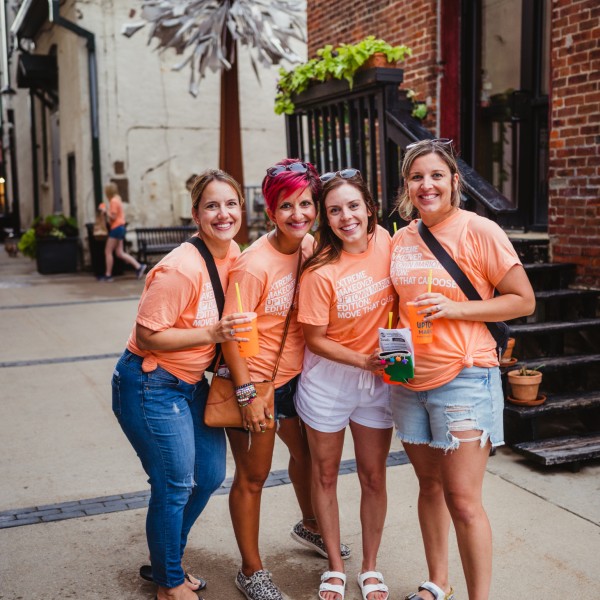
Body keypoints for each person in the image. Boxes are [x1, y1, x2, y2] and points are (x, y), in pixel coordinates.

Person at [390, 139, 536, 600]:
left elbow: (523, 300)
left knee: (464, 501)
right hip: (409, 379)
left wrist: (454, 310)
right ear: (407, 185)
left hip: (466, 377)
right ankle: (438, 582)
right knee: (428, 486)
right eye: (417, 177)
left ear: (455, 181)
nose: (426, 185)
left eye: (436, 175)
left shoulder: (480, 230)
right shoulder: (402, 237)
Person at [112, 169, 252, 600]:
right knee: (174, 484)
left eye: (231, 204)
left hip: (191, 385)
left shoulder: (236, 254)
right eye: (212, 205)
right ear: (196, 214)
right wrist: (215, 335)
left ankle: (164, 559)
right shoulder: (179, 269)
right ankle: (169, 582)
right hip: (150, 382)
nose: (223, 213)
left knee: (208, 475)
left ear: (241, 210)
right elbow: (149, 335)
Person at [221, 159, 351, 600]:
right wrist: (246, 394)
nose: (299, 214)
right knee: (253, 476)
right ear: (271, 210)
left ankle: (310, 524)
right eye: (287, 206)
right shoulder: (253, 264)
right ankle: (251, 569)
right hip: (255, 381)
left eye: (306, 204)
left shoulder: (310, 246)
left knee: (309, 457)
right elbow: (231, 338)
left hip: (295, 377)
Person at [295, 169, 398, 600]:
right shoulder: (319, 270)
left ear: (370, 208)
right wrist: (362, 360)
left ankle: (370, 567)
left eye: (353, 206)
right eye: (334, 210)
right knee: (325, 474)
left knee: (374, 477)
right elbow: (313, 338)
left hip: (380, 378)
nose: (345, 216)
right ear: (326, 218)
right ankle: (335, 566)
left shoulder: (391, 245)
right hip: (329, 379)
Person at [99, 182, 146, 281]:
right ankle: (138, 267)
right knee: (119, 252)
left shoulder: (113, 201)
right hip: (121, 227)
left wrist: (104, 211)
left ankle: (108, 275)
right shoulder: (118, 200)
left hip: (116, 228)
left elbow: (113, 216)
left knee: (108, 251)